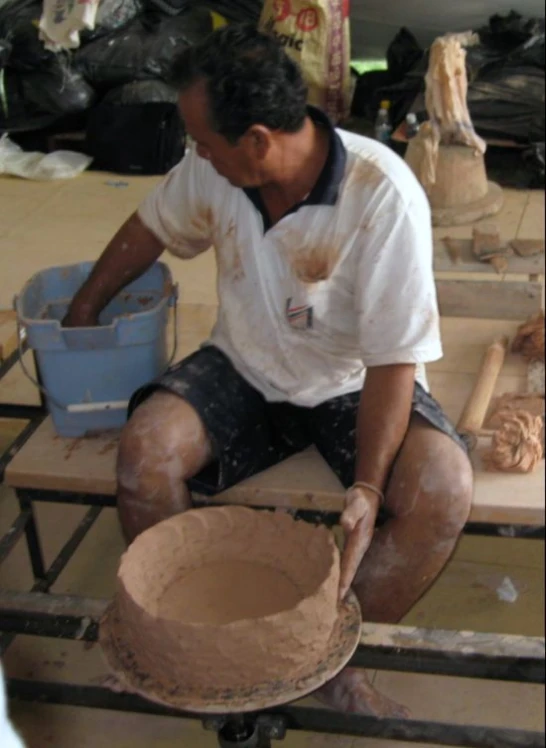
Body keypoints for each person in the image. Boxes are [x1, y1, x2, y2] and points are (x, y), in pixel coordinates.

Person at [64, 24, 473, 717]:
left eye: (205, 140)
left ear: (257, 139)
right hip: (245, 363)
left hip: (351, 382)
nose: (194, 152)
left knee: (442, 489)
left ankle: (333, 655)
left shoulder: (382, 195)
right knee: (146, 451)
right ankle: (178, 639)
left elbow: (394, 360)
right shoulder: (214, 170)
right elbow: (151, 227)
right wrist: (82, 311)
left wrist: (370, 487)